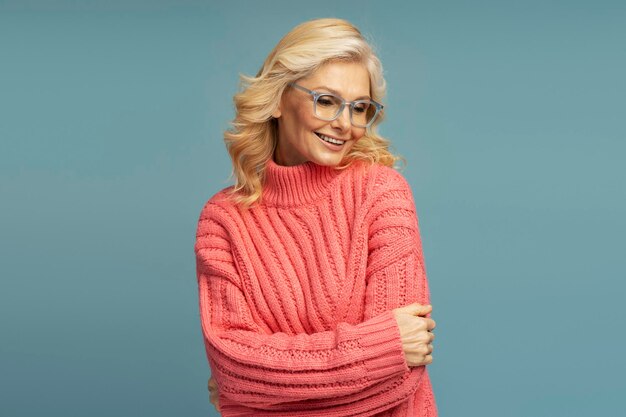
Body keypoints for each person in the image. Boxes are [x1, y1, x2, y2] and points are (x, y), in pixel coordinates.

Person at [194, 17, 438, 416]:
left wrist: (254, 399)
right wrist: (381, 348)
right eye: (325, 101)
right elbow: (234, 368)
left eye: (360, 108)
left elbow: (399, 381)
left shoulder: (382, 193)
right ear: (276, 100)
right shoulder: (223, 221)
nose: (345, 123)